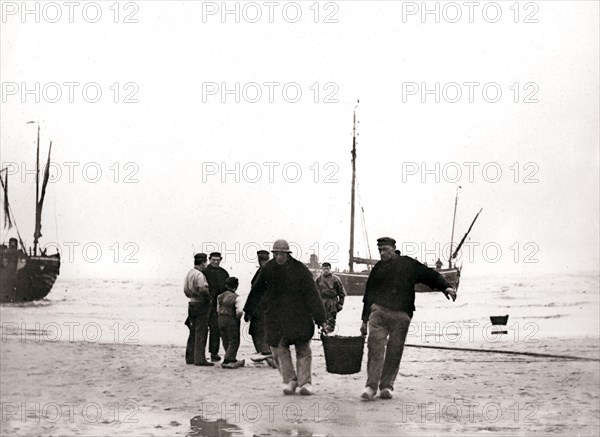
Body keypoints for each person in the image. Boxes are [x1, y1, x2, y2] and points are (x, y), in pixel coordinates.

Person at [360, 237, 457, 401]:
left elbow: (429, 275)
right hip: (379, 314)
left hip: (402, 316)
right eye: (380, 250)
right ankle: (371, 387)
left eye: (385, 249)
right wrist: (363, 320)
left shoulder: (408, 264)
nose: (382, 253)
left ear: (394, 248)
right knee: (375, 347)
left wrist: (445, 286)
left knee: (394, 351)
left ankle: (386, 386)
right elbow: (368, 294)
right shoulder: (378, 268)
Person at [244, 239, 327, 396]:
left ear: (288, 254)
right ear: (274, 254)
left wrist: (320, 319)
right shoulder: (268, 268)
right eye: (276, 254)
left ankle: (305, 383)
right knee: (279, 349)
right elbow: (257, 290)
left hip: (300, 316)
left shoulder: (300, 269)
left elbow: (313, 295)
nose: (279, 257)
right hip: (276, 318)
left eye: (282, 254)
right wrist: (249, 311)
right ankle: (290, 380)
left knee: (303, 349)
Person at [245, 250, 275, 366]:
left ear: (259, 259)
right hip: (268, 308)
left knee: (258, 331)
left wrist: (248, 310)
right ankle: (268, 355)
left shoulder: (263, 272)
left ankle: (267, 355)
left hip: (260, 308)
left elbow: (255, 292)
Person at [183, 253, 214, 366]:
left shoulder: (189, 273)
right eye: (206, 262)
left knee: (193, 331)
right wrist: (208, 299)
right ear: (203, 263)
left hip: (191, 303)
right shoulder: (199, 275)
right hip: (200, 304)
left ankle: (190, 357)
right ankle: (200, 359)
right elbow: (202, 289)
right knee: (201, 331)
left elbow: (185, 289)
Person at [203, 252, 229, 362]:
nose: (216, 262)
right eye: (213, 260)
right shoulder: (204, 272)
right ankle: (199, 354)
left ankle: (214, 353)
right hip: (206, 304)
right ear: (209, 259)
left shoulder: (224, 273)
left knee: (216, 329)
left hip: (219, 305)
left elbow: (228, 289)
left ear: (221, 260)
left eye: (218, 260)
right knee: (202, 329)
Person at [217, 277, 245, 369]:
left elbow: (218, 309)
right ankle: (228, 359)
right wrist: (238, 318)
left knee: (225, 339)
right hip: (231, 319)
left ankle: (230, 357)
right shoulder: (236, 297)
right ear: (236, 286)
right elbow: (239, 311)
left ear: (226, 285)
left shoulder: (220, 296)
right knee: (234, 340)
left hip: (220, 318)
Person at [315, 262, 346, 332]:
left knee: (331, 320)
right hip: (322, 301)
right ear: (322, 269)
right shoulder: (318, 279)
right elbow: (314, 292)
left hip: (332, 302)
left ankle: (329, 335)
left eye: (327, 268)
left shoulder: (336, 279)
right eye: (324, 268)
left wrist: (341, 303)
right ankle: (323, 333)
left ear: (330, 269)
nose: (326, 270)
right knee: (322, 320)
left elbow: (341, 292)